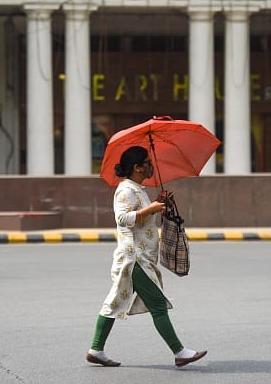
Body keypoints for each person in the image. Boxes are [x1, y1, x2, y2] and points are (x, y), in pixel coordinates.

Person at [85, 146, 207, 368]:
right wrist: (149, 209)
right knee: (158, 304)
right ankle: (180, 352)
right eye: (148, 162)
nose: (151, 166)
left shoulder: (137, 189)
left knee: (113, 303)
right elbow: (122, 219)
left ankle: (96, 349)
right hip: (135, 259)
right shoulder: (125, 190)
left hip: (141, 256)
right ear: (137, 167)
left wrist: (159, 203)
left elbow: (142, 218)